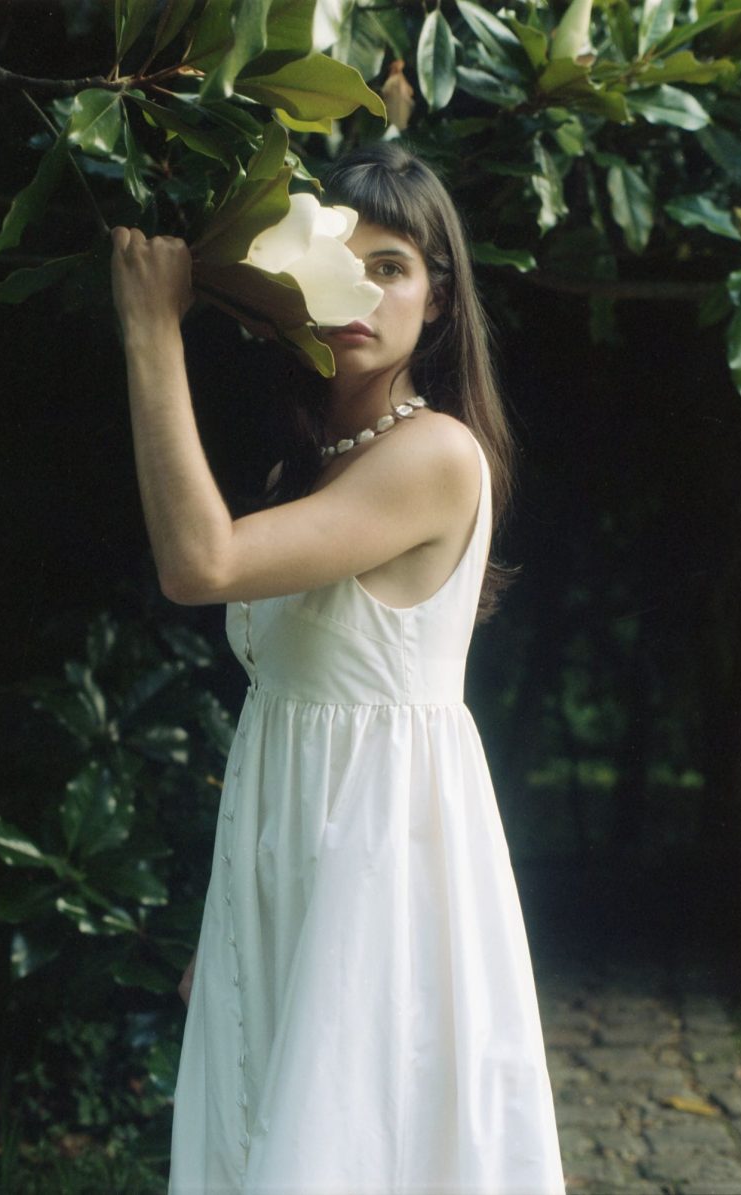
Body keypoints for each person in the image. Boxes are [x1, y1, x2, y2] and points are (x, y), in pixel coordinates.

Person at [111, 143, 565, 1195]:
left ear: (440, 299)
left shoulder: (437, 455)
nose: (359, 289)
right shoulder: (311, 464)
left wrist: (147, 329)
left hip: (379, 877)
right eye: (336, 260)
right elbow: (286, 707)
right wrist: (234, 917)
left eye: (393, 264)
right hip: (292, 866)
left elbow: (201, 563)